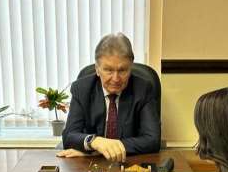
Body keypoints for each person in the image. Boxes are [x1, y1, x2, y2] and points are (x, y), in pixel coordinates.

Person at [58, 33, 161, 162]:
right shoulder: (82, 89)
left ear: (130, 68)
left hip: (129, 164)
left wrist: (101, 150)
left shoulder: (143, 89)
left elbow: (152, 139)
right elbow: (69, 136)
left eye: (122, 70)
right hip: (90, 168)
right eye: (108, 70)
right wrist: (94, 142)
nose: (116, 78)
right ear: (97, 69)